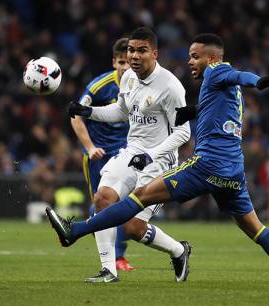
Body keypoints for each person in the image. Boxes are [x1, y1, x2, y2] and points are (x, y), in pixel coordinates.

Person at [47, 33, 269, 288]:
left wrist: (257, 81)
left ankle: (76, 230)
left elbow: (237, 75)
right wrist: (191, 111)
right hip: (233, 172)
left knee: (140, 197)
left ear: (213, 58)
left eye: (196, 56)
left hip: (207, 165)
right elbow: (214, 106)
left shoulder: (217, 72)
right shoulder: (218, 91)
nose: (190, 61)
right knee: (257, 229)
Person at [68, 27, 192, 283]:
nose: (134, 56)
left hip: (160, 160)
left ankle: (179, 250)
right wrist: (88, 112)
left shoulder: (171, 87)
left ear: (155, 54)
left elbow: (183, 133)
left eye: (141, 50)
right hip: (132, 151)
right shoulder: (128, 78)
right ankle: (108, 270)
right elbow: (121, 112)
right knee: (102, 198)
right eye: (131, 50)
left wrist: (150, 155)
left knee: (132, 227)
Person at [70, 37, 134, 272]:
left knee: (128, 205)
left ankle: (118, 256)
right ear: (113, 63)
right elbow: (75, 114)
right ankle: (112, 258)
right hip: (99, 154)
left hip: (127, 153)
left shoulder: (142, 84)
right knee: (102, 205)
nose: (126, 67)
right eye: (121, 62)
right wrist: (89, 147)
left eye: (129, 62)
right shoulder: (99, 86)